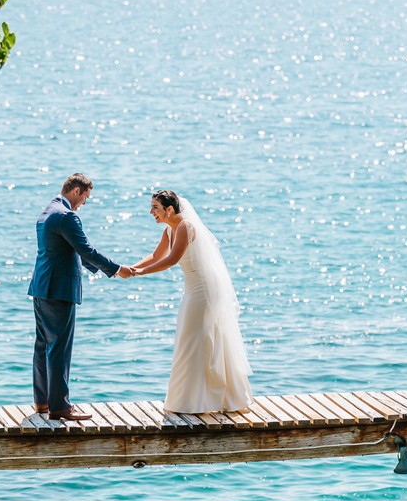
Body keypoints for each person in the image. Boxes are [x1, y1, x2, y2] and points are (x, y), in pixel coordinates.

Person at [131, 190, 254, 413]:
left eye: (155, 208)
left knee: (194, 339)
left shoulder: (186, 226)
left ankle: (196, 401)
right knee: (191, 338)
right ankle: (198, 398)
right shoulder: (170, 229)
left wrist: (139, 274)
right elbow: (157, 255)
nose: (151, 212)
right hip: (192, 288)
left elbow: (171, 260)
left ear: (169, 209)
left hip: (204, 289)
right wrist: (132, 268)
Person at [28, 173, 134, 421]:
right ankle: (60, 407)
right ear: (76, 190)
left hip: (42, 287)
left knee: (43, 345)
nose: (83, 203)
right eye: (85, 197)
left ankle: (42, 402)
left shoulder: (47, 211)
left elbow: (75, 251)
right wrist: (117, 269)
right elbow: (86, 249)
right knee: (59, 348)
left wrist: (108, 270)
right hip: (59, 289)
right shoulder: (67, 216)